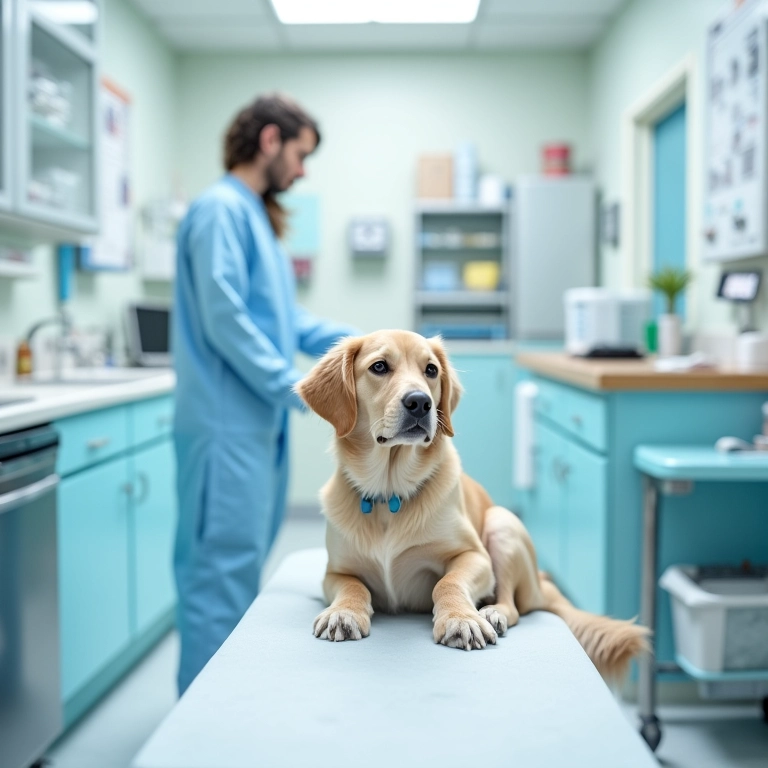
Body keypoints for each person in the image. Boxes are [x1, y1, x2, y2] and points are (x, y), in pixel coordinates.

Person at [172, 93, 357, 695]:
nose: (302, 171)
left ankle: (224, 705)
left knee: (240, 567)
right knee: (218, 578)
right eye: (301, 155)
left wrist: (366, 346)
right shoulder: (220, 210)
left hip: (254, 429)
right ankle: (203, 723)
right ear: (270, 140)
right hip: (225, 429)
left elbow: (287, 320)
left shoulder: (254, 217)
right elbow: (224, 316)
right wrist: (296, 387)